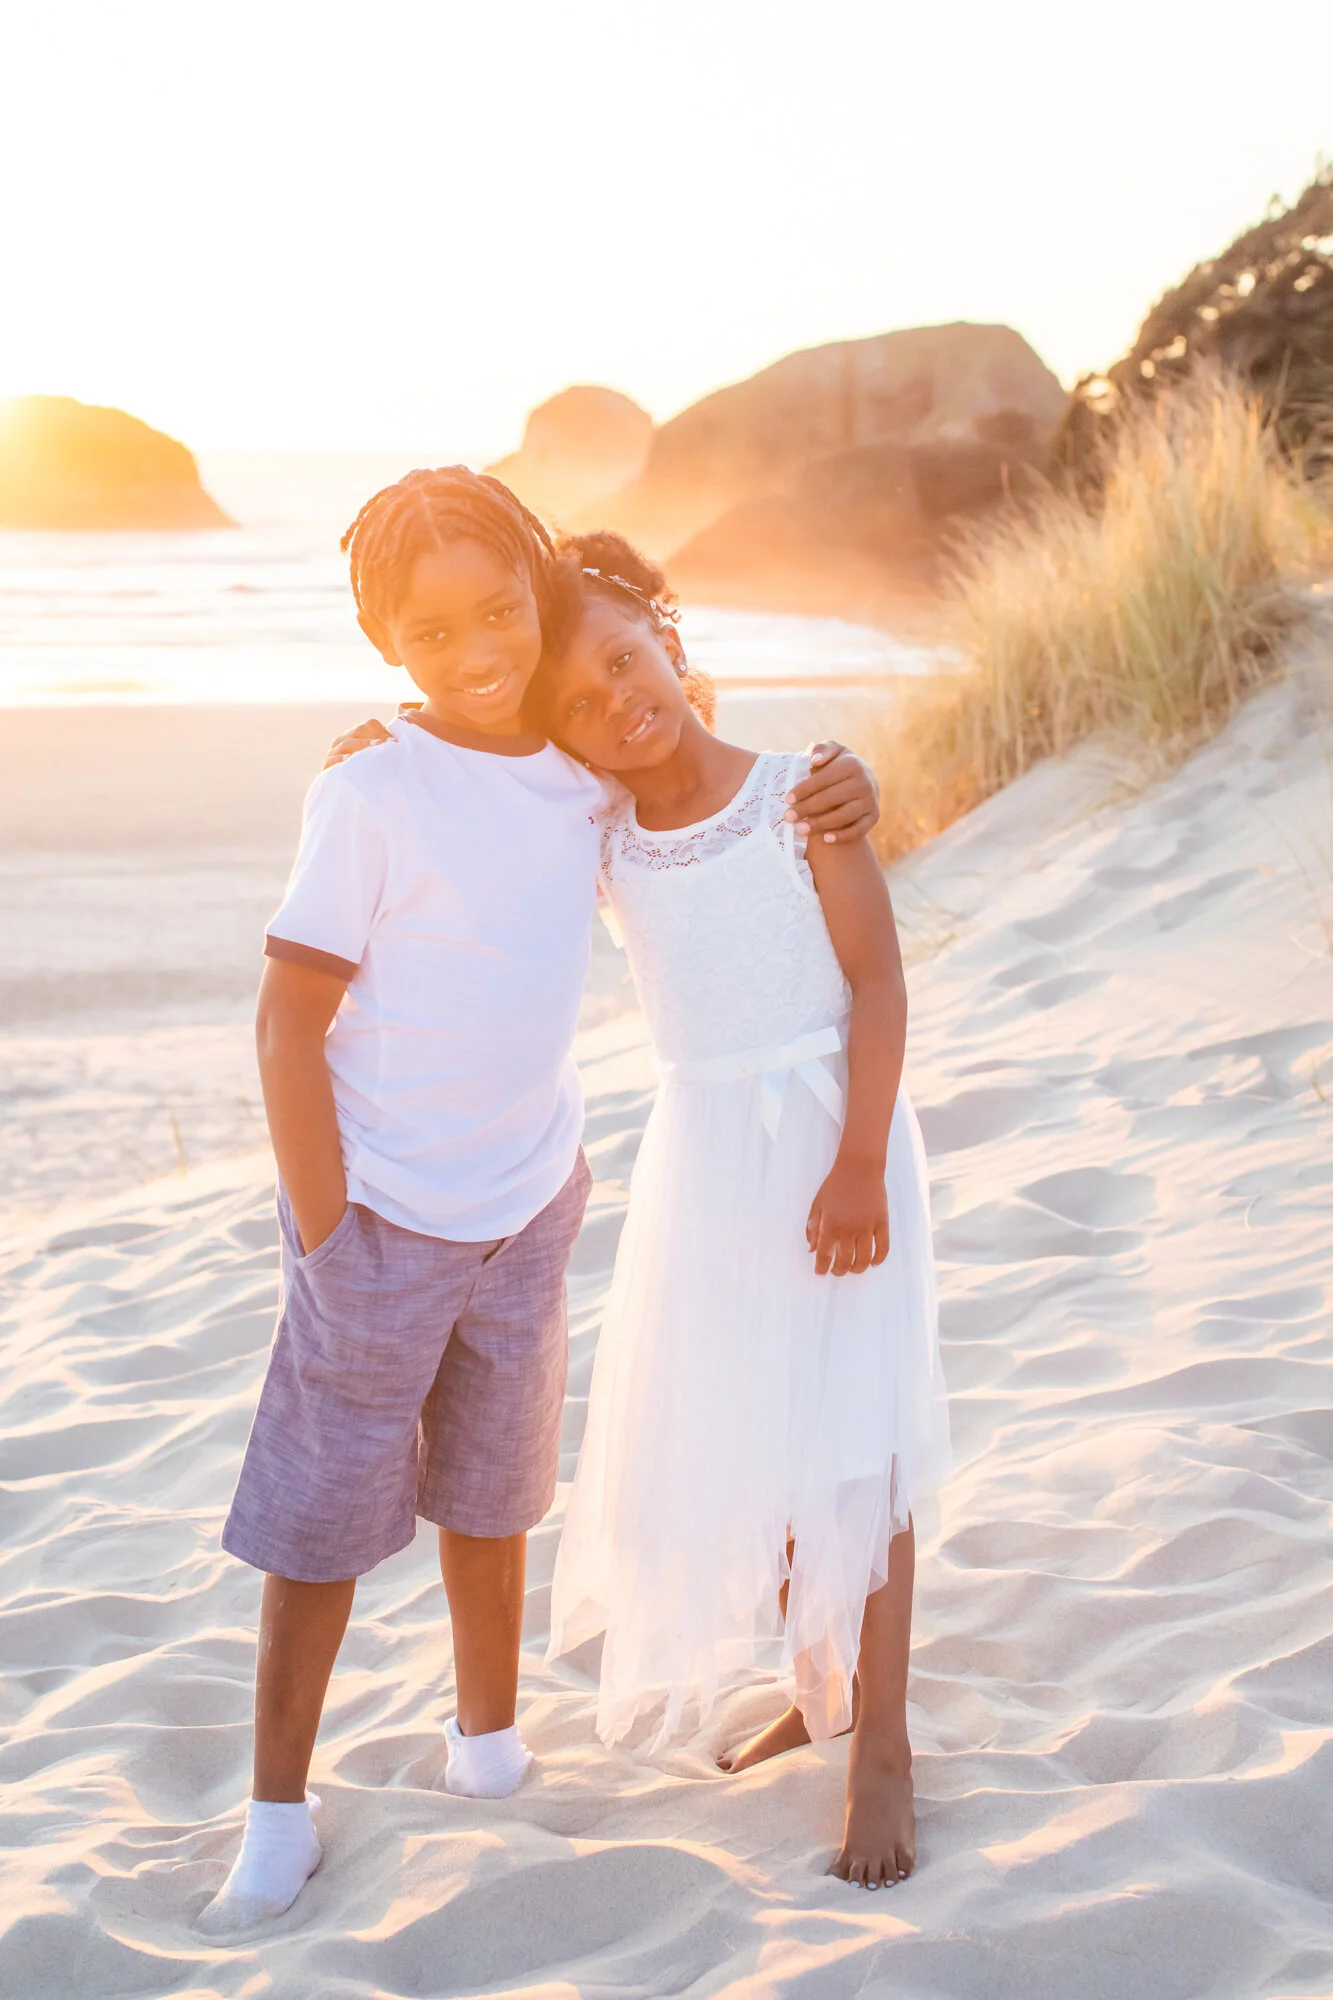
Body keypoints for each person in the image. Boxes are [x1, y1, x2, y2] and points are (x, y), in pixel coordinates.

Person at [198, 468, 878, 1934]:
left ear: (540, 597)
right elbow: (285, 1023)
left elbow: (697, 768)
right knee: (322, 1522)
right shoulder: (369, 786)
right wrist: (324, 1230)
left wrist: (849, 782)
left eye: (501, 611)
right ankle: (274, 1809)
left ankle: (489, 1748)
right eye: (432, 630)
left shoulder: (583, 775)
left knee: (494, 1494)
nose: (477, 649)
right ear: (387, 640)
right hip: (377, 1219)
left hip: (529, 1205)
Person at [537, 535, 951, 1891]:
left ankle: (881, 1743)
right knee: (753, 1427)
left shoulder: (799, 798)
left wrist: (858, 1166)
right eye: (578, 701)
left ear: (665, 634)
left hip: (836, 1140)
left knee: (854, 1437)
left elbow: (877, 986)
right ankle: (816, 1681)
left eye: (622, 660)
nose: (614, 704)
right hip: (704, 1157)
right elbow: (477, 794)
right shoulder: (602, 840)